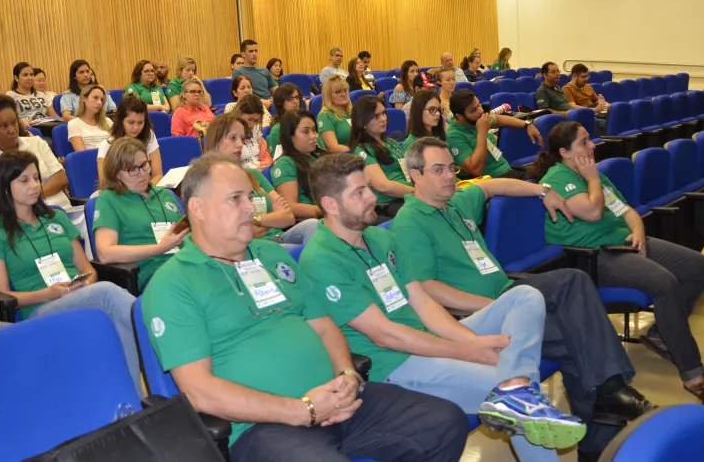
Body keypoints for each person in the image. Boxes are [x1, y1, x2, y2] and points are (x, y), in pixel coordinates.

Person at [142, 153, 469, 462]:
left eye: (250, 197)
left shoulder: (273, 255)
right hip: (265, 427)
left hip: (339, 402)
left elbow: (325, 326)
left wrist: (346, 375)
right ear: (197, 208)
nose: (251, 208)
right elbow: (199, 391)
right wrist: (304, 410)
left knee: (444, 422)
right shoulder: (173, 284)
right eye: (235, 199)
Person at [302, 154, 587, 460]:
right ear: (330, 205)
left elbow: (423, 303)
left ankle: (516, 386)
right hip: (396, 363)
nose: (372, 197)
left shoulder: (378, 238)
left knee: (526, 297)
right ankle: (517, 391)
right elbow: (387, 336)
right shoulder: (322, 259)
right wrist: (469, 351)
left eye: (368, 188)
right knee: (513, 398)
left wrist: (472, 341)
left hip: (426, 338)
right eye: (359, 193)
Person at [391, 137, 658, 459]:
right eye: (438, 170)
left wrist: (542, 190)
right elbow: (426, 287)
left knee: (575, 297)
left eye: (451, 167)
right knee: (575, 325)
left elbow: (492, 187)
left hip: (510, 294)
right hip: (478, 316)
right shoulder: (410, 222)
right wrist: (496, 306)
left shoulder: (456, 202)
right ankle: (607, 409)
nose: (450, 176)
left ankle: (605, 410)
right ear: (415, 175)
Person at [534, 121, 704, 399]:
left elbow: (627, 211)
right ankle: (692, 371)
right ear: (565, 152)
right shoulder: (556, 179)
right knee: (665, 283)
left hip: (626, 242)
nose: (592, 145)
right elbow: (593, 213)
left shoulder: (595, 176)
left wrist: (639, 234)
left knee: (699, 266)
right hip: (594, 254)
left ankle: (658, 333)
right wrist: (592, 177)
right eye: (583, 142)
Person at [0, 150, 140, 395]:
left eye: (36, 178)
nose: (34, 185)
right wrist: (48, 293)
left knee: (116, 319)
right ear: (4, 187)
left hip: (77, 296)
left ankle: (132, 402)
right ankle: (149, 323)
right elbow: (2, 295)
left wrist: (83, 285)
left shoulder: (56, 218)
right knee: (107, 293)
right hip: (38, 308)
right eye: (24, 180)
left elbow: (87, 269)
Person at [204, 113, 318, 247]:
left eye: (242, 138)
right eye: (233, 138)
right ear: (215, 142)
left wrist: (255, 220)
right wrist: (273, 218)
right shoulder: (209, 182)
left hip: (279, 237)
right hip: (251, 247)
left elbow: (288, 217)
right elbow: (237, 233)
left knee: (314, 226)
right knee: (304, 250)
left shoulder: (253, 174)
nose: (240, 144)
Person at [94, 138, 187, 292]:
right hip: (153, 274)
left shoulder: (165, 194)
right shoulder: (108, 200)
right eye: (132, 169)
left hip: (185, 264)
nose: (142, 174)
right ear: (116, 173)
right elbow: (105, 253)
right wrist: (159, 248)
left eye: (144, 165)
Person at [0, 95, 70, 215]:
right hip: (17, 221)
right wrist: (27, 201)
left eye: (14, 123)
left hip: (62, 212)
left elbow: (61, 179)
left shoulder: (36, 142)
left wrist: (32, 195)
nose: (12, 130)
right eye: (4, 126)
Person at [447, 89, 542, 180]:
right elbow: (475, 170)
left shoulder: (476, 119)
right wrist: (482, 133)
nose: (480, 111)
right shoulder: (453, 136)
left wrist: (526, 125)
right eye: (473, 110)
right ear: (459, 117)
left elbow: (498, 119)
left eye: (479, 105)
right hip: (491, 180)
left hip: (505, 170)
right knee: (542, 181)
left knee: (543, 171)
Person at [349, 97, 413, 220]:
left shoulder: (392, 143)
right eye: (376, 116)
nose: (383, 118)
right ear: (363, 122)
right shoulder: (362, 150)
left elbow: (409, 171)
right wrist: (416, 193)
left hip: (407, 197)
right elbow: (383, 186)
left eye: (384, 113)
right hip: (389, 204)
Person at [97, 95, 163, 188]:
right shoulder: (107, 145)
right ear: (121, 121)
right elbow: (105, 184)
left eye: (140, 122)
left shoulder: (149, 135)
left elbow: (158, 175)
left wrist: (145, 190)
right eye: (131, 122)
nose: (136, 128)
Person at [271, 110, 325, 220]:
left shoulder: (320, 156)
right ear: (290, 136)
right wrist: (329, 210)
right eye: (306, 132)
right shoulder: (285, 163)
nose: (313, 136)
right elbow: (290, 206)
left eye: (314, 130)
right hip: (312, 222)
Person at [6, 62, 58, 127]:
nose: (29, 78)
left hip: (45, 126)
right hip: (27, 128)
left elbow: (53, 116)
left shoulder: (41, 95)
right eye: (25, 75)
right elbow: (9, 118)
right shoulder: (10, 95)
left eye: (31, 74)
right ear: (16, 78)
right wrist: (21, 123)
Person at [563, 64, 610, 136]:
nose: (586, 79)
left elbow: (597, 101)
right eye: (583, 77)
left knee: (615, 119)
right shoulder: (567, 89)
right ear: (574, 76)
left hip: (596, 113)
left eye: (587, 76)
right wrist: (593, 110)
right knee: (606, 124)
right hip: (584, 116)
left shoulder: (587, 86)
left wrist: (609, 106)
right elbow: (572, 106)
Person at [67, 85, 113, 151]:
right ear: (84, 99)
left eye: (102, 100)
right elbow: (82, 154)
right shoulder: (74, 124)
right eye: (95, 97)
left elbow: (117, 148)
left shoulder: (108, 122)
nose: (99, 102)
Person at [231, 96, 273, 170]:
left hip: (259, 169)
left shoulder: (255, 130)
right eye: (250, 119)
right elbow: (228, 164)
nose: (252, 124)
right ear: (239, 113)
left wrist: (265, 165)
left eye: (257, 121)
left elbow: (264, 154)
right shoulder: (228, 133)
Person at [318, 74, 353, 154]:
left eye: (345, 90)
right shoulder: (325, 116)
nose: (344, 94)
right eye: (338, 92)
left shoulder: (351, 111)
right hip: (340, 160)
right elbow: (333, 148)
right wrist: (358, 152)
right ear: (328, 95)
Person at [266, 82, 303, 158]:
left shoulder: (305, 123)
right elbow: (276, 160)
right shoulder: (277, 130)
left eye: (297, 97)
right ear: (281, 103)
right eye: (290, 99)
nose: (295, 101)